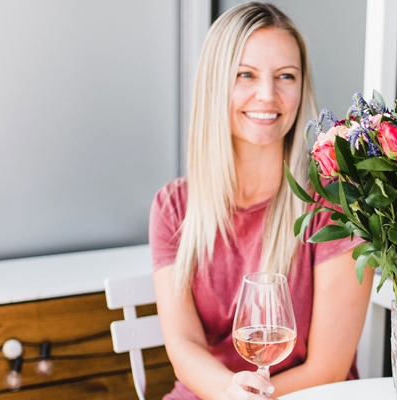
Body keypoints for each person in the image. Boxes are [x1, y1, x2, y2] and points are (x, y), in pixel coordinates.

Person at [148, 3, 373, 399]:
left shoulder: (335, 205)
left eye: (285, 76)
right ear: (215, 83)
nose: (267, 95)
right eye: (245, 75)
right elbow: (184, 346)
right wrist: (230, 393)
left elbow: (329, 368)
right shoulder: (173, 207)